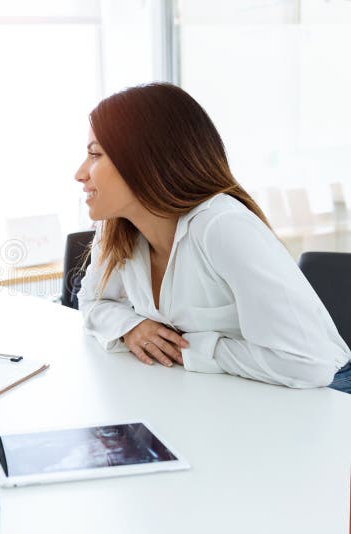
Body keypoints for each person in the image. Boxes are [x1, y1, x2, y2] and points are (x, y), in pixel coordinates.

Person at [75, 82, 351, 392]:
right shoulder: (119, 228)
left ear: (145, 159)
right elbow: (91, 301)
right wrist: (131, 326)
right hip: (234, 389)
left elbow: (308, 365)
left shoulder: (222, 227)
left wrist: (193, 348)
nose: (80, 173)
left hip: (327, 393)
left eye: (95, 155)